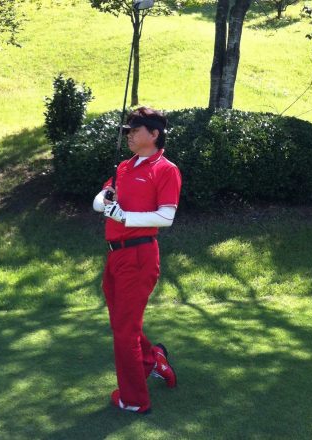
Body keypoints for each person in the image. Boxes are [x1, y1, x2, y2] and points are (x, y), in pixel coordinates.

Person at [92, 106, 182, 414]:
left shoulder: (166, 169)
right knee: (121, 323)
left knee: (125, 332)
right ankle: (153, 359)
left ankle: (134, 400)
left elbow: (166, 217)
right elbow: (101, 199)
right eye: (127, 131)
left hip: (140, 255)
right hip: (115, 255)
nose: (129, 135)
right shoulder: (124, 167)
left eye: (135, 131)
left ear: (154, 134)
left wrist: (124, 216)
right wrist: (105, 199)